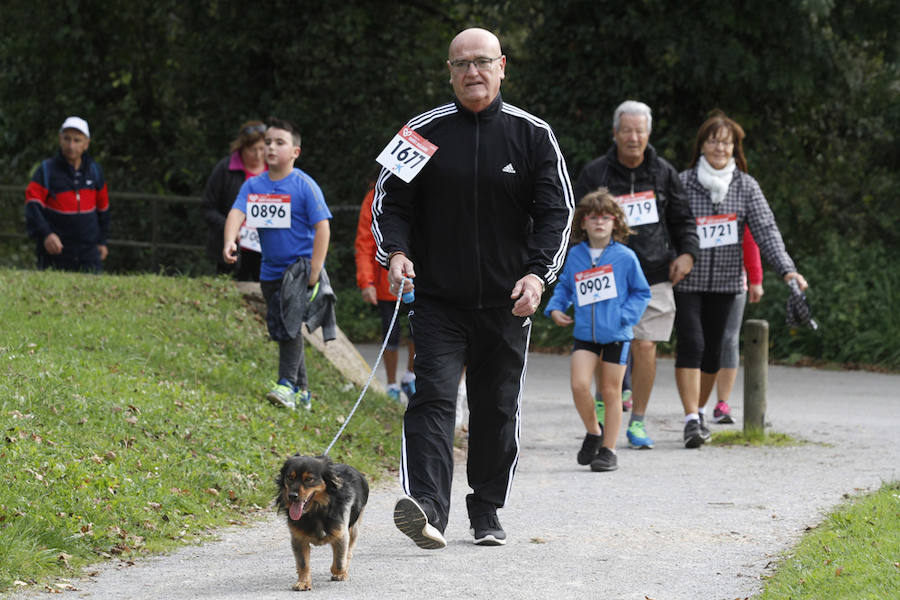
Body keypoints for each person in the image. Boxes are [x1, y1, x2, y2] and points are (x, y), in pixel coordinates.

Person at [373, 27, 573, 548]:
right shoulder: (419, 132)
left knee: (496, 407)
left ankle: (486, 508)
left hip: (508, 303)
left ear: (502, 66)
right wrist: (396, 253)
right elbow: (388, 204)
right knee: (433, 398)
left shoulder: (534, 135)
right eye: (461, 64)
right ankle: (428, 510)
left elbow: (557, 213)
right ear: (449, 72)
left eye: (482, 61)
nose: (472, 72)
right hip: (436, 299)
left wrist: (538, 275)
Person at [676, 111, 807, 447]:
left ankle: (700, 410)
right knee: (692, 343)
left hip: (726, 282)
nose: (720, 148)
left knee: (714, 352)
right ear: (701, 145)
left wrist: (787, 269)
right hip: (687, 281)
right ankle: (690, 418)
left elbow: (766, 231)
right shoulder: (683, 182)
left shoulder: (746, 186)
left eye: (726, 142)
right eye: (713, 141)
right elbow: (668, 227)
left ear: (735, 148)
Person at [573, 101, 699, 450]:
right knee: (602, 345)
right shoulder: (596, 172)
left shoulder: (664, 173)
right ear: (615, 133)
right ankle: (604, 405)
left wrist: (687, 254)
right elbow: (577, 218)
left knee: (645, 346)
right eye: (626, 130)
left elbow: (683, 220)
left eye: (639, 131)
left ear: (648, 134)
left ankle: (638, 420)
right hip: (604, 275)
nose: (633, 137)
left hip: (654, 274)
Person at [223, 118, 332, 410]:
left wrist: (315, 270)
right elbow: (236, 213)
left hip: (298, 270)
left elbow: (323, 227)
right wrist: (230, 240)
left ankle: (286, 385)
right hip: (269, 272)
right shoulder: (253, 185)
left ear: (295, 152)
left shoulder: (305, 185)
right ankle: (303, 391)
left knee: (288, 325)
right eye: (268, 142)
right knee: (285, 326)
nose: (270, 148)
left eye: (279, 143)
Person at [545, 189, 650, 472]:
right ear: (583, 222)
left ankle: (609, 450)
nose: (599, 222)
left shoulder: (626, 257)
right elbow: (565, 287)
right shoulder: (575, 255)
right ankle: (593, 432)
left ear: (616, 222)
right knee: (579, 385)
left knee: (610, 391)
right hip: (585, 335)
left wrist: (624, 317)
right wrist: (556, 308)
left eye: (606, 217)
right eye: (593, 217)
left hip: (616, 336)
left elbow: (641, 292)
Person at [355, 182, 416, 402]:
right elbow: (364, 243)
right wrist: (366, 282)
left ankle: (411, 377)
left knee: (419, 330)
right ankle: (391, 386)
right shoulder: (374, 196)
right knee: (391, 333)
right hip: (386, 280)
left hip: (421, 277)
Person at [25, 116, 110, 273]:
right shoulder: (46, 170)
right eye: (67, 139)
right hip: (55, 252)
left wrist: (102, 241)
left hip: (89, 253)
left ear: (86, 144)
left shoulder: (95, 171)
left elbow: (103, 208)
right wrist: (46, 234)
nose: (71, 145)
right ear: (60, 139)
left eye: (77, 140)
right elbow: (32, 205)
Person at [202, 121, 267, 280]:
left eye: (262, 149)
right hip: (232, 251)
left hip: (266, 250)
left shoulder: (276, 170)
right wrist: (230, 228)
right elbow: (208, 207)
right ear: (241, 148)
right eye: (252, 150)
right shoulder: (224, 169)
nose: (258, 155)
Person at [712, 224, 763, 424]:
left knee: (729, 340)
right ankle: (695, 406)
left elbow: (750, 241)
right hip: (696, 283)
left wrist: (755, 279)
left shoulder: (739, 206)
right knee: (700, 340)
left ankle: (722, 403)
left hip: (733, 282)